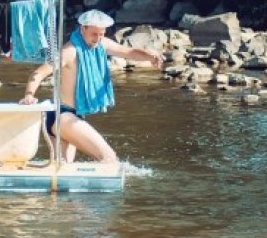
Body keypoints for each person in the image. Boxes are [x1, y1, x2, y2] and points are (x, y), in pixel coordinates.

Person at [20, 9, 163, 165]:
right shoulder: (69, 52)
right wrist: (29, 95)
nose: (98, 38)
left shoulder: (102, 44)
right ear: (83, 29)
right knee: (109, 158)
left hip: (72, 116)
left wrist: (149, 56)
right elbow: (38, 74)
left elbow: (129, 52)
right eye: (94, 34)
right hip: (62, 116)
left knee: (62, 169)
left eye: (101, 34)